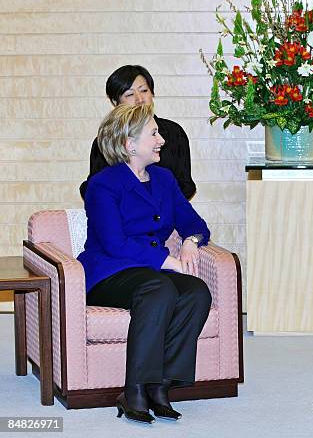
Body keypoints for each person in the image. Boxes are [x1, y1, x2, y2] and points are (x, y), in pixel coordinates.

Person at [78, 103, 211, 424]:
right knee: (160, 287)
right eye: (153, 133)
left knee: (197, 292)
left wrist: (192, 243)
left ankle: (161, 385)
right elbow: (114, 243)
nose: (161, 139)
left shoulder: (164, 180)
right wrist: (169, 260)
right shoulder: (102, 185)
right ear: (129, 144)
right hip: (108, 273)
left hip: (149, 273)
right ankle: (134, 389)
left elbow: (196, 224)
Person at [79, 65, 196, 200]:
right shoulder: (106, 140)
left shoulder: (174, 132)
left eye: (144, 90)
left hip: (166, 216)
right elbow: (94, 189)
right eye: (129, 94)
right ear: (115, 102)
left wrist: (158, 207)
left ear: (152, 93)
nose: (140, 99)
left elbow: (186, 185)